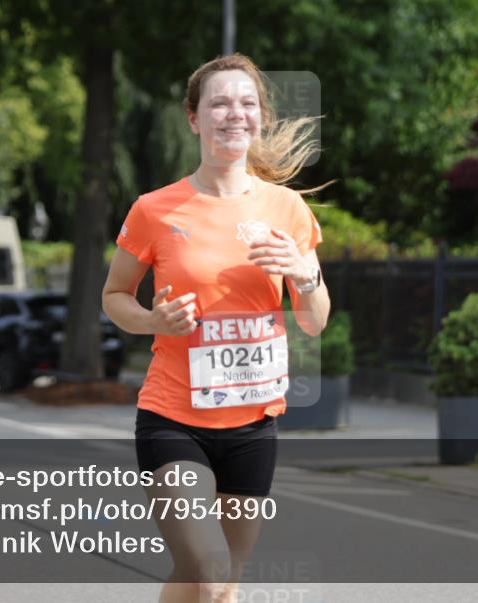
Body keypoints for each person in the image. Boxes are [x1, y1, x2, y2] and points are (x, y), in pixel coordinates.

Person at [101, 53, 331, 603]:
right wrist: (152, 319)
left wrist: (305, 274)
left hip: (253, 424)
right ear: (194, 118)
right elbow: (113, 297)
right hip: (173, 417)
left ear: (261, 116)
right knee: (207, 566)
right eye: (220, 103)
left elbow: (314, 321)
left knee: (217, 583)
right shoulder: (156, 210)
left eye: (247, 102)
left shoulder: (287, 208)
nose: (235, 113)